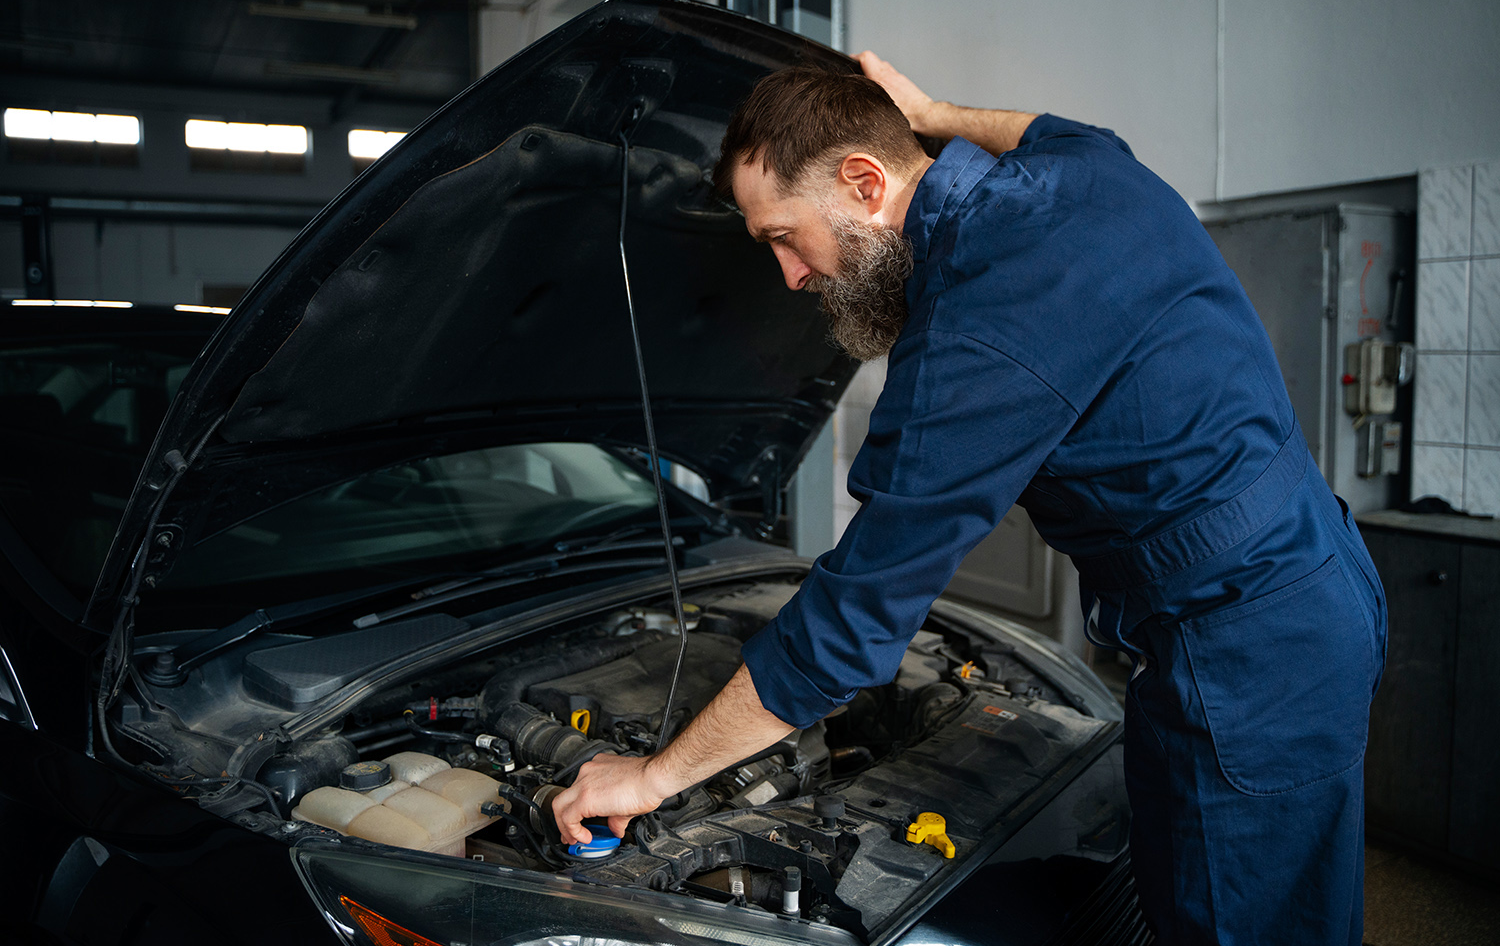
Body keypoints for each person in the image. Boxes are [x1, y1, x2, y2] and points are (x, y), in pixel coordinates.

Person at [550, 53, 1388, 945]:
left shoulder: (976, 330)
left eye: (783, 237)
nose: (791, 277)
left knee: (1237, 923)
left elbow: (850, 624)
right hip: (1313, 576)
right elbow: (1051, 130)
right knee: (1287, 899)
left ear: (866, 183)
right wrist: (933, 109)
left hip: (1241, 648)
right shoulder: (1084, 172)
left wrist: (652, 777)